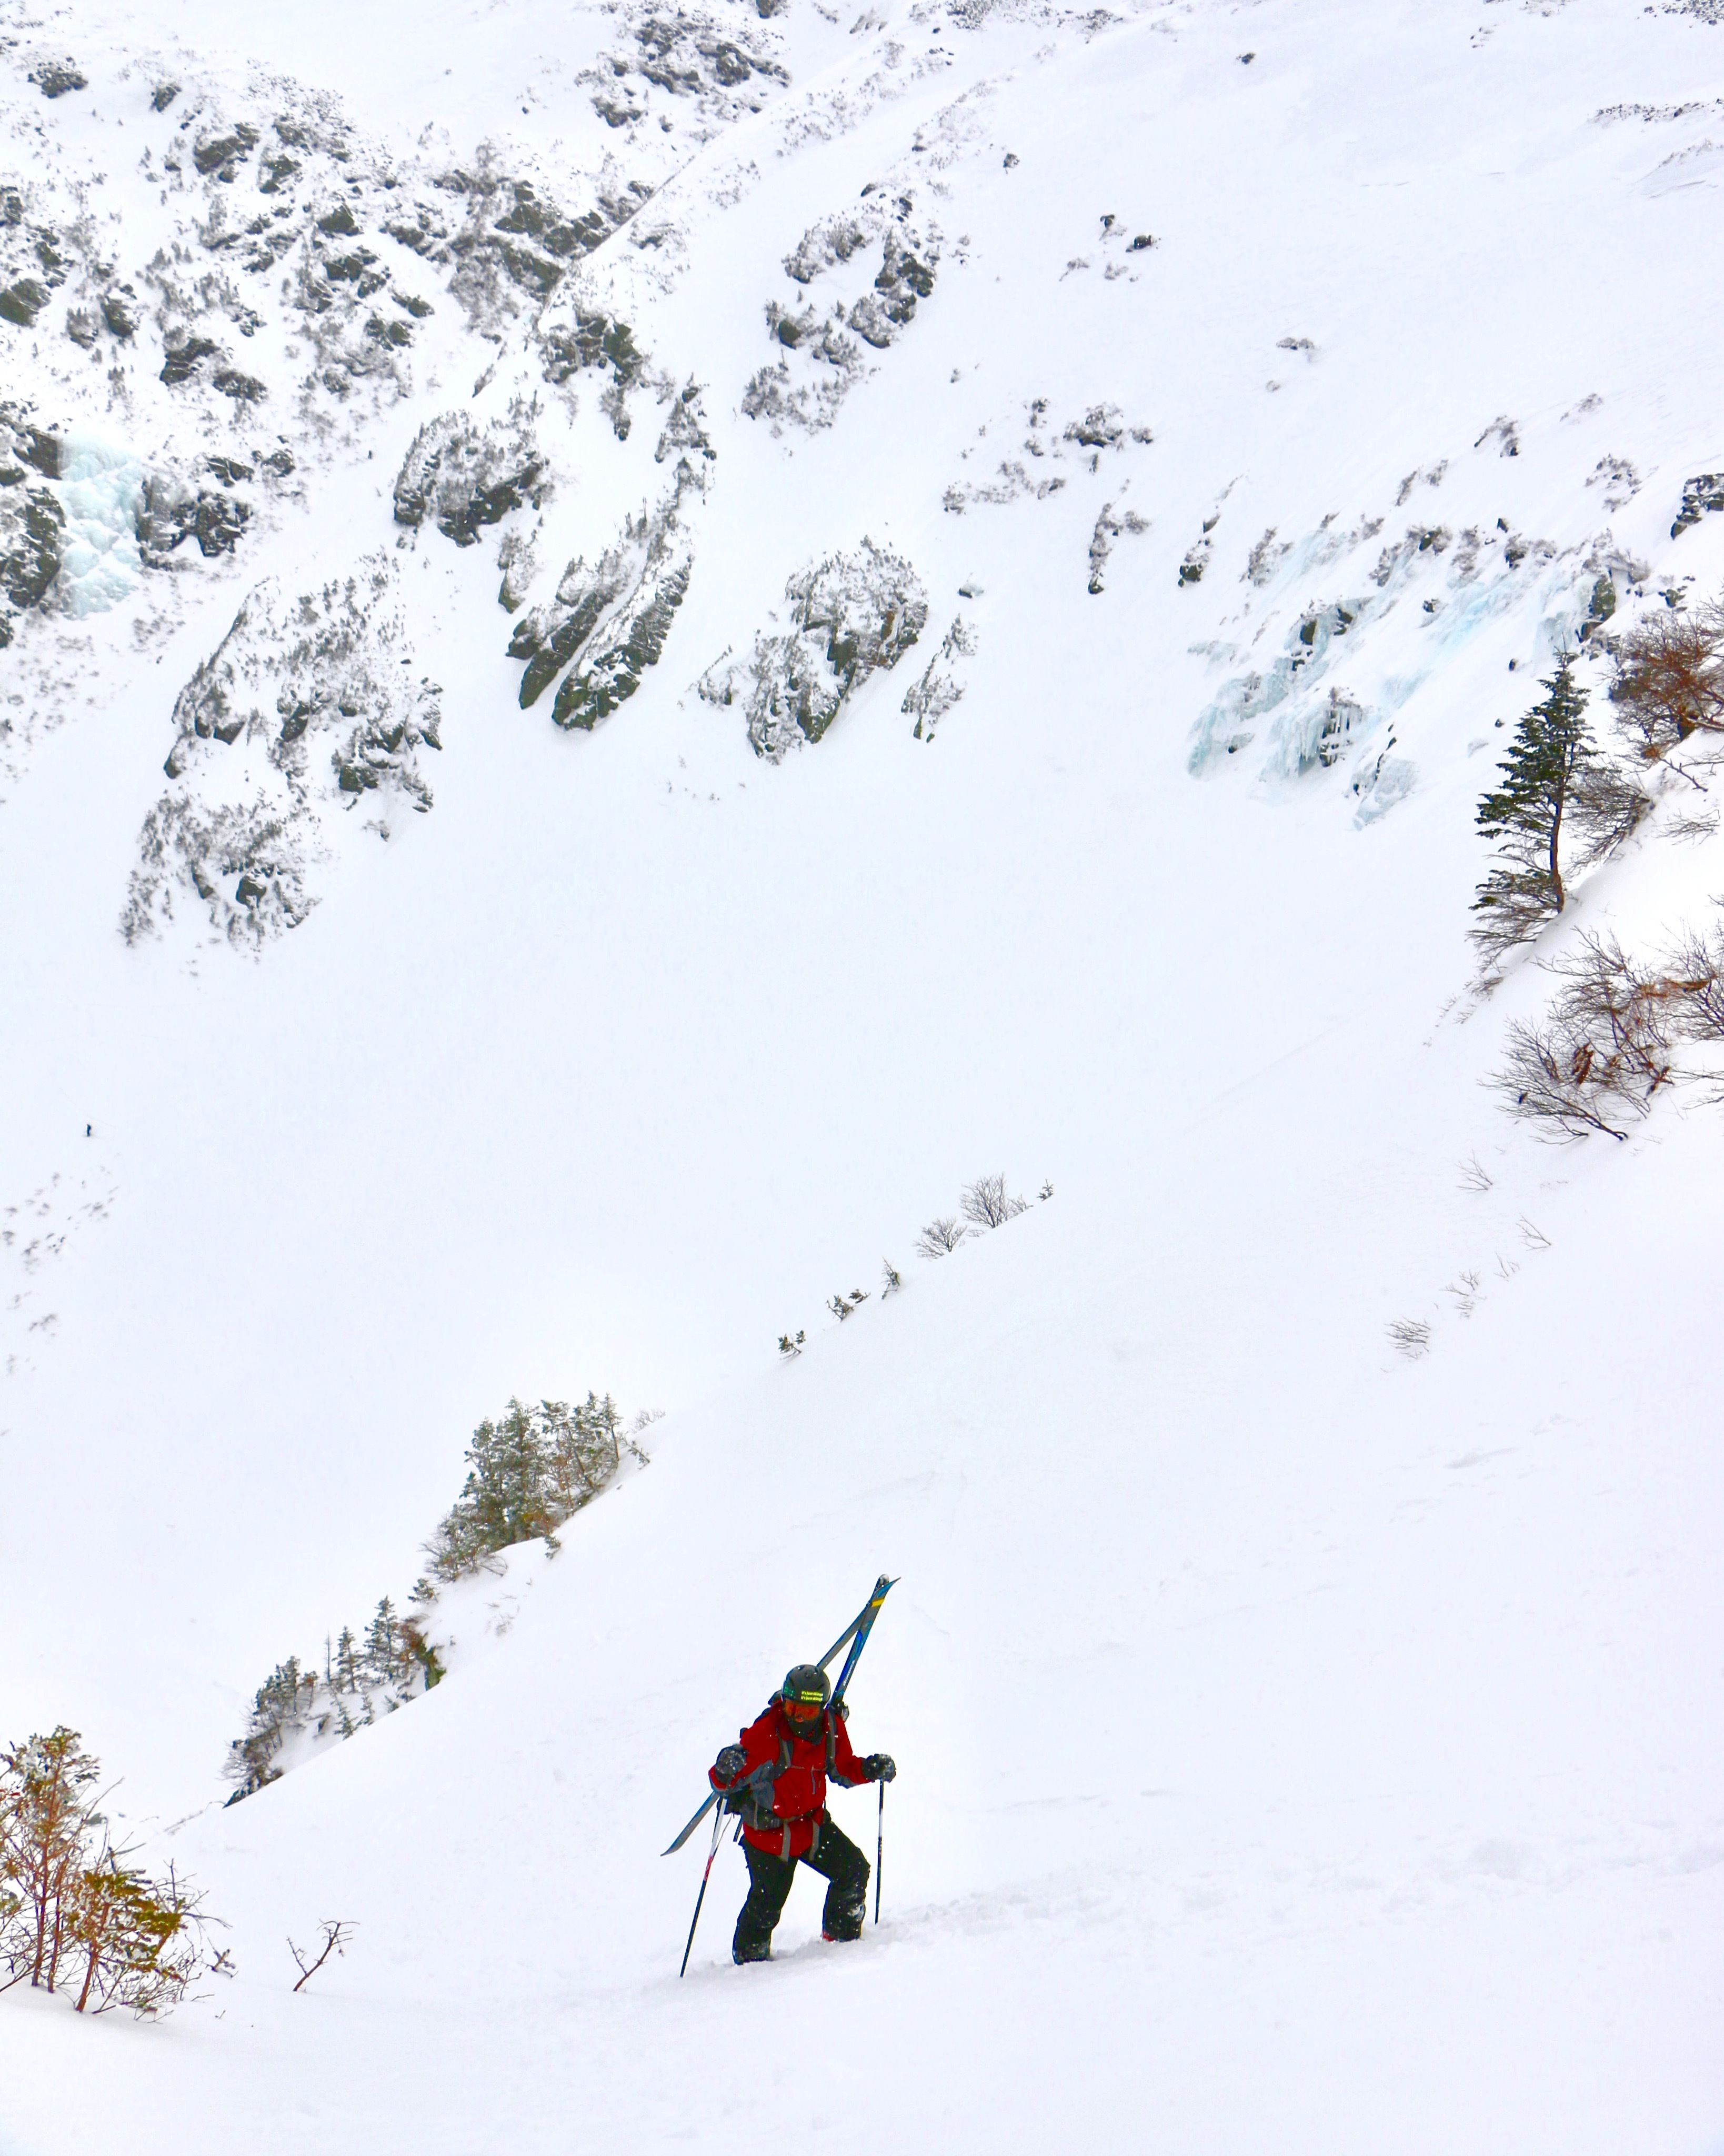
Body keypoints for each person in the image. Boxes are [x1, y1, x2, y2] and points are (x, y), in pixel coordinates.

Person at [710, 1662, 896, 1964]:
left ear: (820, 1709)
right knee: (768, 1903)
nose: (797, 1718)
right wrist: (724, 1769)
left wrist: (868, 1769)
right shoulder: (767, 1733)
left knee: (853, 1870)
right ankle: (749, 1965)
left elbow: (843, 1769)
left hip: (810, 1827)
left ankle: (842, 1946)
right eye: (792, 1708)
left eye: (806, 1712)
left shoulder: (831, 1728)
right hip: (768, 1835)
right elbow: (725, 1782)